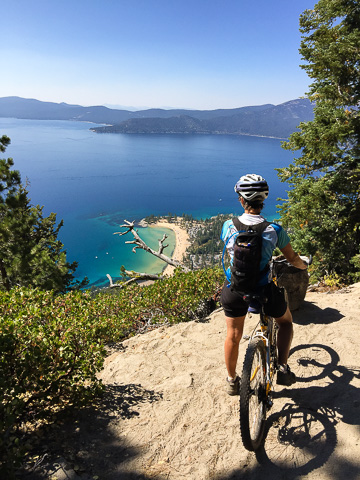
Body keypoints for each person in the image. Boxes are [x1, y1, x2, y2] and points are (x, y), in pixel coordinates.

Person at [220, 174, 308, 395]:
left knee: (233, 335)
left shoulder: (228, 226)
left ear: (241, 199)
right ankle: (283, 368)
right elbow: (292, 259)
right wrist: (303, 266)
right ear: (263, 200)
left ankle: (231, 381)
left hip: (235, 290)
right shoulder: (274, 230)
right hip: (264, 291)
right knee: (286, 323)